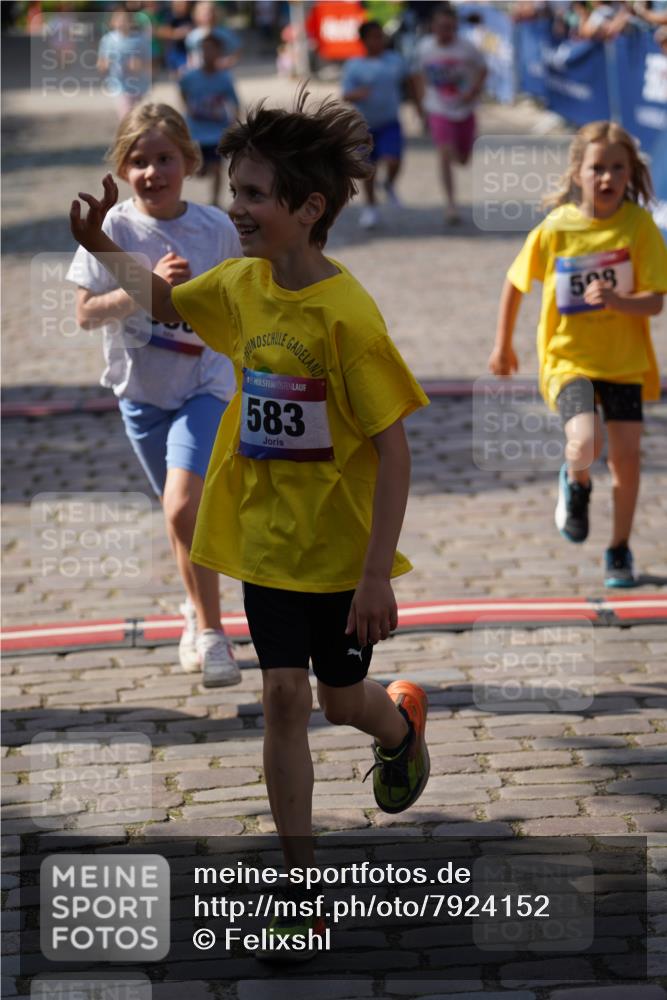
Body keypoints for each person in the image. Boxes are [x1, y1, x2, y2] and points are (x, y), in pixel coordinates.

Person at [69, 90, 430, 954]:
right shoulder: (237, 286)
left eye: (255, 195)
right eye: (233, 191)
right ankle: (299, 883)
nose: (236, 208)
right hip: (265, 542)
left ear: (307, 210)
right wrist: (101, 247)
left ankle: (400, 724)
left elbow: (395, 451)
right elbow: (163, 309)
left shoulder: (348, 318)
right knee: (281, 699)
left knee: (342, 702)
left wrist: (377, 572)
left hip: (340, 552)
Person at [67, 103, 242, 686]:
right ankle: (196, 612)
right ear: (122, 168)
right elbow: (86, 314)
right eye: (138, 161)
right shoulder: (113, 228)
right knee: (180, 518)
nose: (151, 172)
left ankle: (215, 634)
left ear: (189, 161)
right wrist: (144, 289)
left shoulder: (216, 228)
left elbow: (242, 302)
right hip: (139, 393)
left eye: (164, 158)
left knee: (181, 507)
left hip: (205, 385)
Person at [488, 121, 667, 587]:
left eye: (617, 168)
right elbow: (515, 281)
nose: (606, 178)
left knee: (626, 460)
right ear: (578, 173)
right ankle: (576, 481)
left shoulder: (639, 226)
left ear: (631, 174)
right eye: (597, 168)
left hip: (625, 363)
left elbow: (655, 300)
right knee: (585, 442)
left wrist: (617, 301)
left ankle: (619, 550)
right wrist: (503, 345)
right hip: (568, 360)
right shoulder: (557, 228)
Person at [414, 3, 486, 224]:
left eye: (450, 28)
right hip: (438, 108)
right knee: (444, 153)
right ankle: (451, 205)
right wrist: (422, 105)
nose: (446, 32)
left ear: (455, 27)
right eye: (441, 27)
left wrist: (473, 91)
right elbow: (417, 75)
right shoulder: (424, 48)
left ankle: (458, 151)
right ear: (433, 27)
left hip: (464, 109)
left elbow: (483, 70)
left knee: (463, 159)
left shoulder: (467, 48)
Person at [342, 20, 414, 229]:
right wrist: (358, 93)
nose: (378, 40)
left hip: (390, 122)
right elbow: (346, 94)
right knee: (368, 169)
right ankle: (371, 207)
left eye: (380, 36)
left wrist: (418, 106)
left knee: (393, 161)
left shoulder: (395, 60)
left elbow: (409, 81)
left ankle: (389, 184)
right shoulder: (354, 65)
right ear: (363, 40)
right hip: (364, 127)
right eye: (373, 37)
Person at [179, 32, 239, 207]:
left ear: (219, 53)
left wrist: (234, 122)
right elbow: (182, 90)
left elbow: (234, 101)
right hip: (196, 130)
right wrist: (187, 107)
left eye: (212, 50)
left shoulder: (224, 78)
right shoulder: (190, 76)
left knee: (217, 167)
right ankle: (202, 170)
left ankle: (215, 202)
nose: (208, 53)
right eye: (204, 49)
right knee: (199, 169)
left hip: (217, 131)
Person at [97, 7, 152, 119]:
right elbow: (100, 65)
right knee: (126, 116)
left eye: (125, 19)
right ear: (112, 22)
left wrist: (139, 65)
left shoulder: (140, 40)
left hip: (140, 85)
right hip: (119, 86)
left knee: (139, 117)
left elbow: (150, 64)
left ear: (132, 22)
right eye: (118, 19)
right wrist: (106, 64)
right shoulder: (108, 40)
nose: (121, 22)